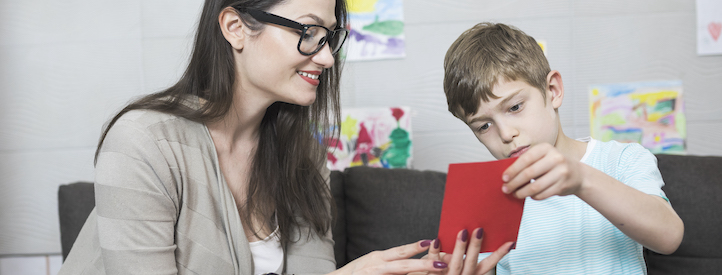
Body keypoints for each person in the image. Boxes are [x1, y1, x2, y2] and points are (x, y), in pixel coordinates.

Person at [59, 1, 513, 274]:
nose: (328, 57)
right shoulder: (143, 144)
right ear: (236, 27)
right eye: (308, 31)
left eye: (330, 36)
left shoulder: (303, 156)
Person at [442, 22, 684, 274]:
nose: (505, 134)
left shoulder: (622, 159)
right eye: (483, 126)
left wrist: (581, 179)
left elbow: (669, 237)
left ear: (553, 91)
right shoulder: (487, 197)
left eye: (514, 107)